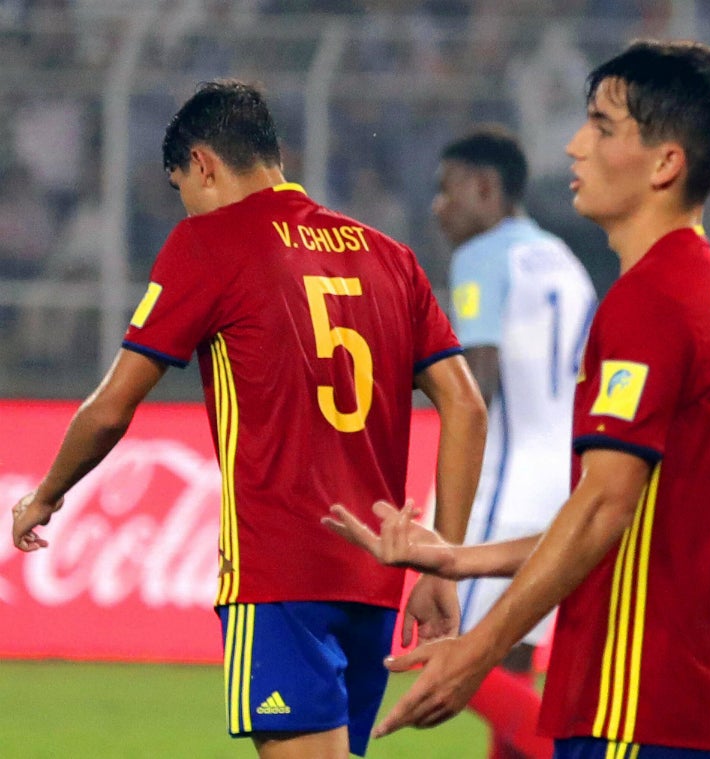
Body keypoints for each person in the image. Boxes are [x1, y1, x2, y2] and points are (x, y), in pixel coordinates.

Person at [10, 80, 487, 759]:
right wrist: (440, 561)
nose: (189, 205)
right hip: (377, 577)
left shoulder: (210, 243)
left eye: (184, 188)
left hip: (280, 572)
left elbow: (112, 407)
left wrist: (45, 495)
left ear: (202, 165)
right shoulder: (391, 257)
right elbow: (466, 404)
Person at [326, 39, 710, 758]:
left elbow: (601, 509)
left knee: (501, 674)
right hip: (681, 688)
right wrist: (459, 560)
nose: (574, 145)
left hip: (634, 698)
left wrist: (474, 649)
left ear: (666, 163)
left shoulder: (652, 301)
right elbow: (623, 519)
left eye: (602, 126)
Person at [431, 125, 597, 759]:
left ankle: (573, 752)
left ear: (484, 187)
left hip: (508, 476)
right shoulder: (562, 256)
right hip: (568, 477)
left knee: (443, 650)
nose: (439, 207)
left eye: (447, 191)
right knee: (512, 659)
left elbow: (477, 385)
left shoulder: (482, 254)